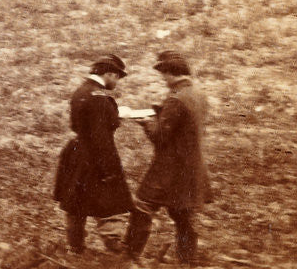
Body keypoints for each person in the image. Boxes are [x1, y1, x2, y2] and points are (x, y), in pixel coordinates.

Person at [125, 50, 214, 265]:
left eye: (164, 74)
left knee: (143, 206)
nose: (163, 79)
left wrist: (146, 122)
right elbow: (185, 125)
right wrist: (160, 112)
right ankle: (186, 260)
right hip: (191, 167)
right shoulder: (198, 94)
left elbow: (160, 137)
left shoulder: (176, 100)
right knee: (182, 214)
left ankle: (129, 255)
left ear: (173, 73)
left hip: (168, 169)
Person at [53, 54, 133, 255]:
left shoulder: (81, 91)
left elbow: (76, 124)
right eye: (117, 77)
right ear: (108, 74)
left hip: (76, 152)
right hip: (95, 157)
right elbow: (102, 138)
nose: (116, 82)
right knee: (109, 200)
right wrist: (109, 170)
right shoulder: (100, 98)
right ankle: (113, 244)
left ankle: (75, 247)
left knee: (75, 202)